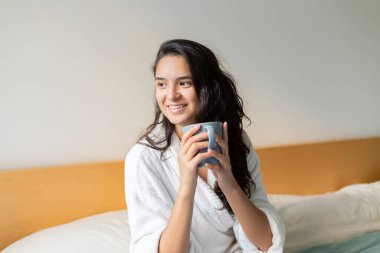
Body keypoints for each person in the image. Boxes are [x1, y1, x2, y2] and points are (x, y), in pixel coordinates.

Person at [125, 39, 285, 253]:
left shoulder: (236, 142)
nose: (171, 95)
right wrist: (186, 185)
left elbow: (266, 243)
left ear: (207, 88)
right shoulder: (143, 158)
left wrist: (227, 180)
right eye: (161, 84)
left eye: (184, 83)